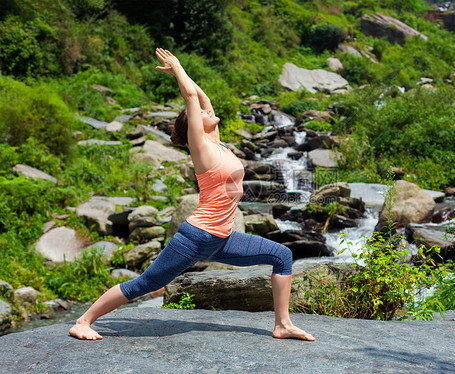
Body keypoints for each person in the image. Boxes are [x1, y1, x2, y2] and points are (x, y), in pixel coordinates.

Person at [69, 48, 315, 342]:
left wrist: (189, 80)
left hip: (223, 238)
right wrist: (178, 69)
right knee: (146, 283)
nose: (208, 111)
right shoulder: (202, 149)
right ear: (194, 127)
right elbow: (190, 98)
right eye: (202, 113)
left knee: (282, 255)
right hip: (197, 236)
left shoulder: (218, 144)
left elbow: (200, 98)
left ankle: (283, 324)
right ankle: (83, 321)